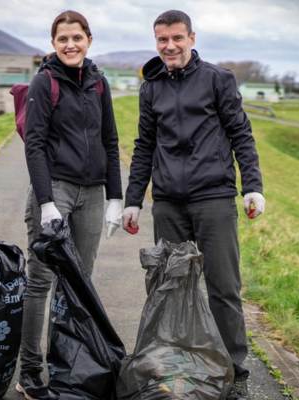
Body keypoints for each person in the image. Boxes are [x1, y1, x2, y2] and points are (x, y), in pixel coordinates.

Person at [122, 10, 265, 400]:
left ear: (191, 38)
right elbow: (144, 146)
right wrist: (134, 200)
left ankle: (235, 371)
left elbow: (241, 134)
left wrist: (252, 186)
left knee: (223, 288)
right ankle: (173, 365)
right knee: (169, 288)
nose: (169, 46)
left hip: (214, 199)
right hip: (167, 202)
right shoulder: (150, 87)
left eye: (176, 38)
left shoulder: (218, 80)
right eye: (162, 40)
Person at [18, 10, 123, 400]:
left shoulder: (99, 83)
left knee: (79, 285)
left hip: (93, 193)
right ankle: (30, 372)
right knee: (41, 281)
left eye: (76, 37)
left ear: (89, 40)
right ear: (54, 43)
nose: (70, 44)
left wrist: (116, 196)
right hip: (56, 189)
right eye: (62, 38)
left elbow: (111, 142)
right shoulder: (44, 82)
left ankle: (65, 367)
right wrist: (46, 202)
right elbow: (35, 145)